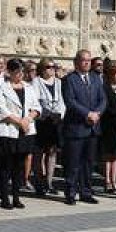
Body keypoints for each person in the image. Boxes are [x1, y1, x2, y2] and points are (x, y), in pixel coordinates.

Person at [0, 58, 40, 209]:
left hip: (25, 131)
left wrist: (28, 119)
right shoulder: (2, 88)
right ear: (10, 72)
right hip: (8, 131)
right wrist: (19, 121)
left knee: (19, 166)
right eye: (17, 72)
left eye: (22, 72)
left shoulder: (29, 87)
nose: (20, 75)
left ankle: (16, 196)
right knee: (6, 165)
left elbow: (36, 106)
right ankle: (4, 197)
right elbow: (1, 109)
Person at [61, 50, 105, 206]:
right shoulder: (69, 80)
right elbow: (70, 101)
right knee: (73, 163)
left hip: (93, 127)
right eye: (83, 60)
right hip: (76, 127)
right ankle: (70, 193)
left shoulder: (95, 78)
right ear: (76, 62)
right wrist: (87, 113)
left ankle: (86, 192)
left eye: (88, 60)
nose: (86, 63)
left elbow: (102, 98)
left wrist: (98, 113)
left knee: (88, 162)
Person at [33, 59, 64, 196]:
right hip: (42, 120)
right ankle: (39, 181)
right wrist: (46, 113)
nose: (51, 69)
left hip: (55, 120)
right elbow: (35, 100)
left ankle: (49, 182)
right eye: (48, 67)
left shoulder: (58, 82)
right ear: (42, 68)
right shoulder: (36, 82)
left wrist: (60, 114)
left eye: (53, 67)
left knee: (52, 152)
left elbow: (62, 101)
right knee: (40, 152)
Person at [99, 63, 116, 194]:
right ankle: (107, 180)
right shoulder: (105, 89)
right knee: (107, 154)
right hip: (109, 125)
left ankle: (114, 180)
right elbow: (105, 106)